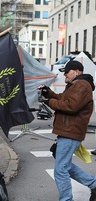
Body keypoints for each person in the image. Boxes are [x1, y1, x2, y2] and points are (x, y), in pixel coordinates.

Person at [38, 60, 96, 201]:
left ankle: (66, 199)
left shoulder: (82, 85)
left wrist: (49, 102)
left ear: (77, 72)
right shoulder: (75, 85)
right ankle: (94, 184)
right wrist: (49, 93)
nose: (65, 75)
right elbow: (62, 99)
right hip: (68, 131)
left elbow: (71, 106)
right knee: (64, 166)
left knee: (60, 170)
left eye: (67, 72)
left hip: (70, 132)